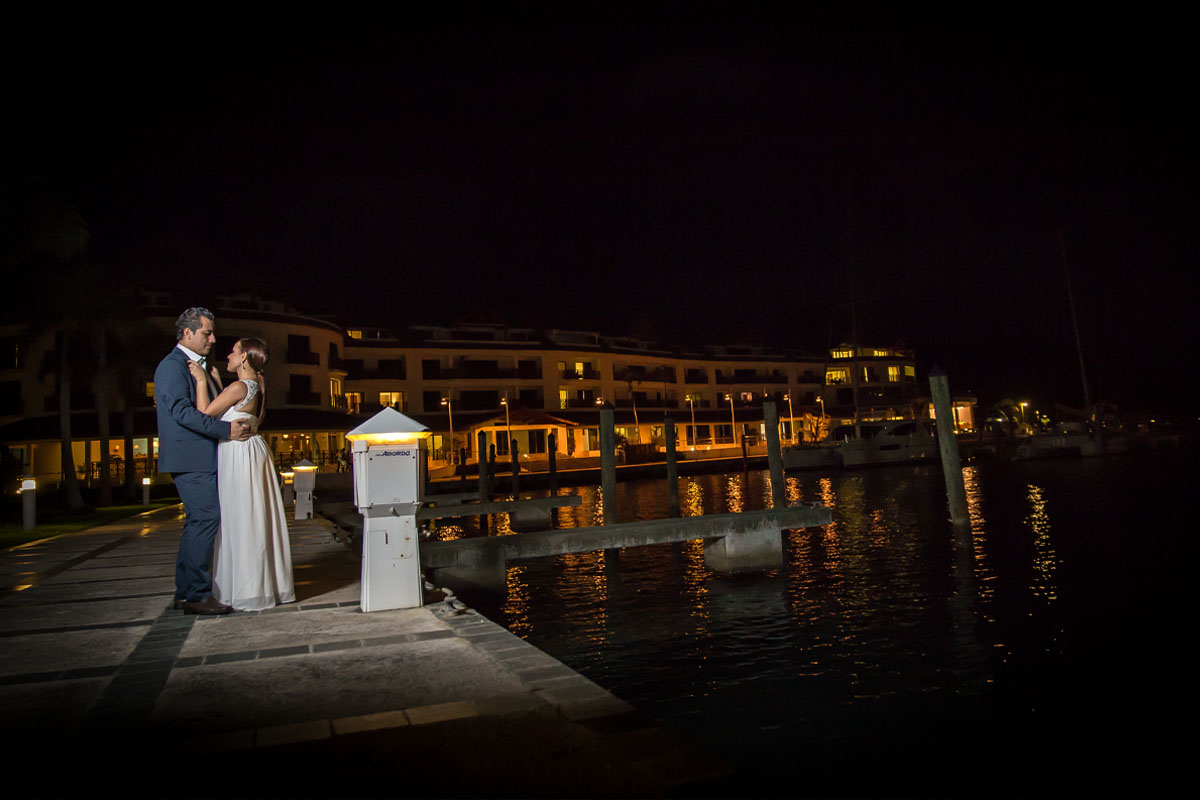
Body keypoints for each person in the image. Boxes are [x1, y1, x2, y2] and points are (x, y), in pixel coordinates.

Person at [154, 308, 252, 615]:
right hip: (190, 458)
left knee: (196, 522)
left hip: (197, 456)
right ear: (187, 333)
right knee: (206, 518)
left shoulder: (199, 367)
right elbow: (182, 414)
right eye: (207, 333)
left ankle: (185, 592)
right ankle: (197, 595)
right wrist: (226, 431)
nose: (213, 338)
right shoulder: (172, 367)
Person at [190, 336, 295, 611]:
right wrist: (215, 383)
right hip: (253, 451)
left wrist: (201, 380)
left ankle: (245, 588)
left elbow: (205, 413)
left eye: (233, 352)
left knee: (240, 517)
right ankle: (263, 584)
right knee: (254, 516)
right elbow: (235, 409)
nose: (228, 356)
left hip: (238, 455)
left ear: (245, 357)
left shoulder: (239, 386)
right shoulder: (256, 385)